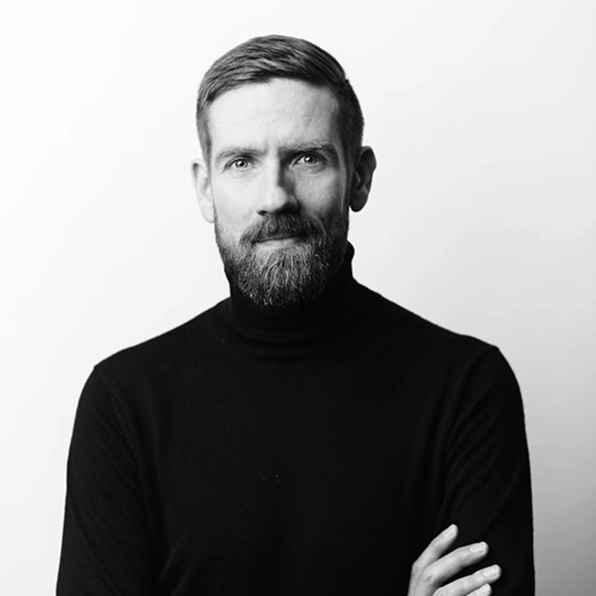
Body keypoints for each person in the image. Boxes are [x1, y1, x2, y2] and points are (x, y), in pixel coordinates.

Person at [56, 35, 534, 595]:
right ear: (206, 189)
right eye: (241, 162)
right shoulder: (124, 401)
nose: (275, 196)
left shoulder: (467, 388)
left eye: (307, 158)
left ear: (359, 177)